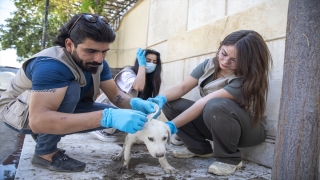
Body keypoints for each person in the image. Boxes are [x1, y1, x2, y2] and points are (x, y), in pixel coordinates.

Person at [0, 13, 157, 172]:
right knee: (75, 90)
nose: (99, 58)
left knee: (114, 113)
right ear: (69, 44)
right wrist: (107, 118)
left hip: (44, 112)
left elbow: (116, 95)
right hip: (18, 113)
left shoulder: (99, 64)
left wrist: (137, 105)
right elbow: (39, 121)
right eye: (91, 51)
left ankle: (44, 137)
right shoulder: (52, 65)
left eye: (104, 51)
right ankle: (45, 153)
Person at [148, 30, 272, 176]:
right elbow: (182, 87)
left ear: (247, 62)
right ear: (220, 47)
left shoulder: (244, 79)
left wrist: (170, 126)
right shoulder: (209, 65)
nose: (225, 61)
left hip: (249, 131)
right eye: (224, 53)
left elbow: (203, 103)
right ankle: (199, 149)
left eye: (235, 60)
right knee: (170, 103)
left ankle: (230, 159)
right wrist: (158, 100)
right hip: (218, 123)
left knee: (215, 104)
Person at [91, 48, 163, 141]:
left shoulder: (151, 80)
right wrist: (142, 66)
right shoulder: (127, 73)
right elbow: (138, 86)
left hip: (123, 109)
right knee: (132, 96)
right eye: (147, 61)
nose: (151, 64)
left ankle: (120, 129)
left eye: (154, 62)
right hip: (108, 107)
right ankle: (103, 128)